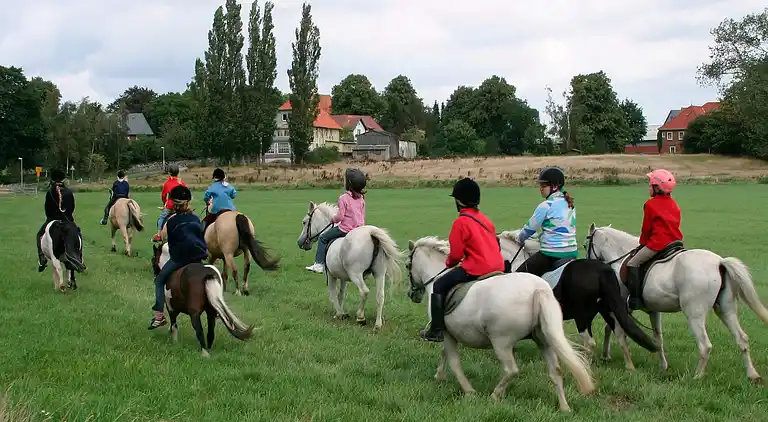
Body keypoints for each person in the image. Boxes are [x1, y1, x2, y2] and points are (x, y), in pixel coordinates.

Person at [419, 177, 505, 342]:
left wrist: (449, 263)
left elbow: (456, 256)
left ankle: (436, 331)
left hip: (477, 268)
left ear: (458, 201)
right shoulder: (486, 219)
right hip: (498, 265)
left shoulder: (461, 222)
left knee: (438, 284)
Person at [148, 185, 209, 329]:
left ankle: (159, 317)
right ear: (188, 201)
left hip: (180, 258)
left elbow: (173, 244)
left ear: (174, 204)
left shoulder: (172, 221)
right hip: (197, 258)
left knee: (159, 280)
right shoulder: (195, 218)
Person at [626, 169, 683, 310]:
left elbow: (646, 229)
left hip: (658, 244)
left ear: (657, 187)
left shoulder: (650, 205)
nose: (648, 187)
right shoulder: (674, 204)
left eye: (650, 184)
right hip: (676, 243)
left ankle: (635, 299)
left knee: (632, 263)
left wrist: (642, 244)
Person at [514, 167, 577, 276]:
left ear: (555, 187)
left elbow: (529, 229)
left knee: (518, 276)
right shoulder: (570, 204)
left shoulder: (546, 205)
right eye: (540, 186)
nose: (541, 189)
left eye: (544, 186)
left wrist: (518, 239)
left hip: (551, 254)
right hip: (572, 252)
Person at [305, 168, 367, 274]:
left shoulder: (343, 198)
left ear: (349, 184)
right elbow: (362, 216)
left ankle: (319, 264)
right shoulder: (361, 199)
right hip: (359, 229)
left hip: (345, 229)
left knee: (323, 237)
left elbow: (340, 217)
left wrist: (333, 218)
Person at [36, 169, 80, 272]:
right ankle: (78, 258)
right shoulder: (69, 192)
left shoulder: (50, 192)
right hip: (67, 220)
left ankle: (42, 258)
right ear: (63, 179)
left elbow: (47, 209)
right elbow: (72, 208)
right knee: (78, 233)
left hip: (52, 219)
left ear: (52, 180)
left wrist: (51, 217)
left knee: (39, 235)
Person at [152, 164, 186, 242]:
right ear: (178, 173)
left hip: (170, 206)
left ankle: (159, 235)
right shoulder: (181, 183)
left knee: (161, 218)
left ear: (169, 173)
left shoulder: (167, 183)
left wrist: (164, 204)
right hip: (181, 206)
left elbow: (163, 196)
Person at [202, 168, 237, 233]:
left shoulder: (212, 186)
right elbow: (233, 195)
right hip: (231, 210)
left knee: (204, 222)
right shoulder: (229, 186)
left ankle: (201, 237)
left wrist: (208, 202)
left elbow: (206, 197)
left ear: (215, 177)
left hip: (217, 210)